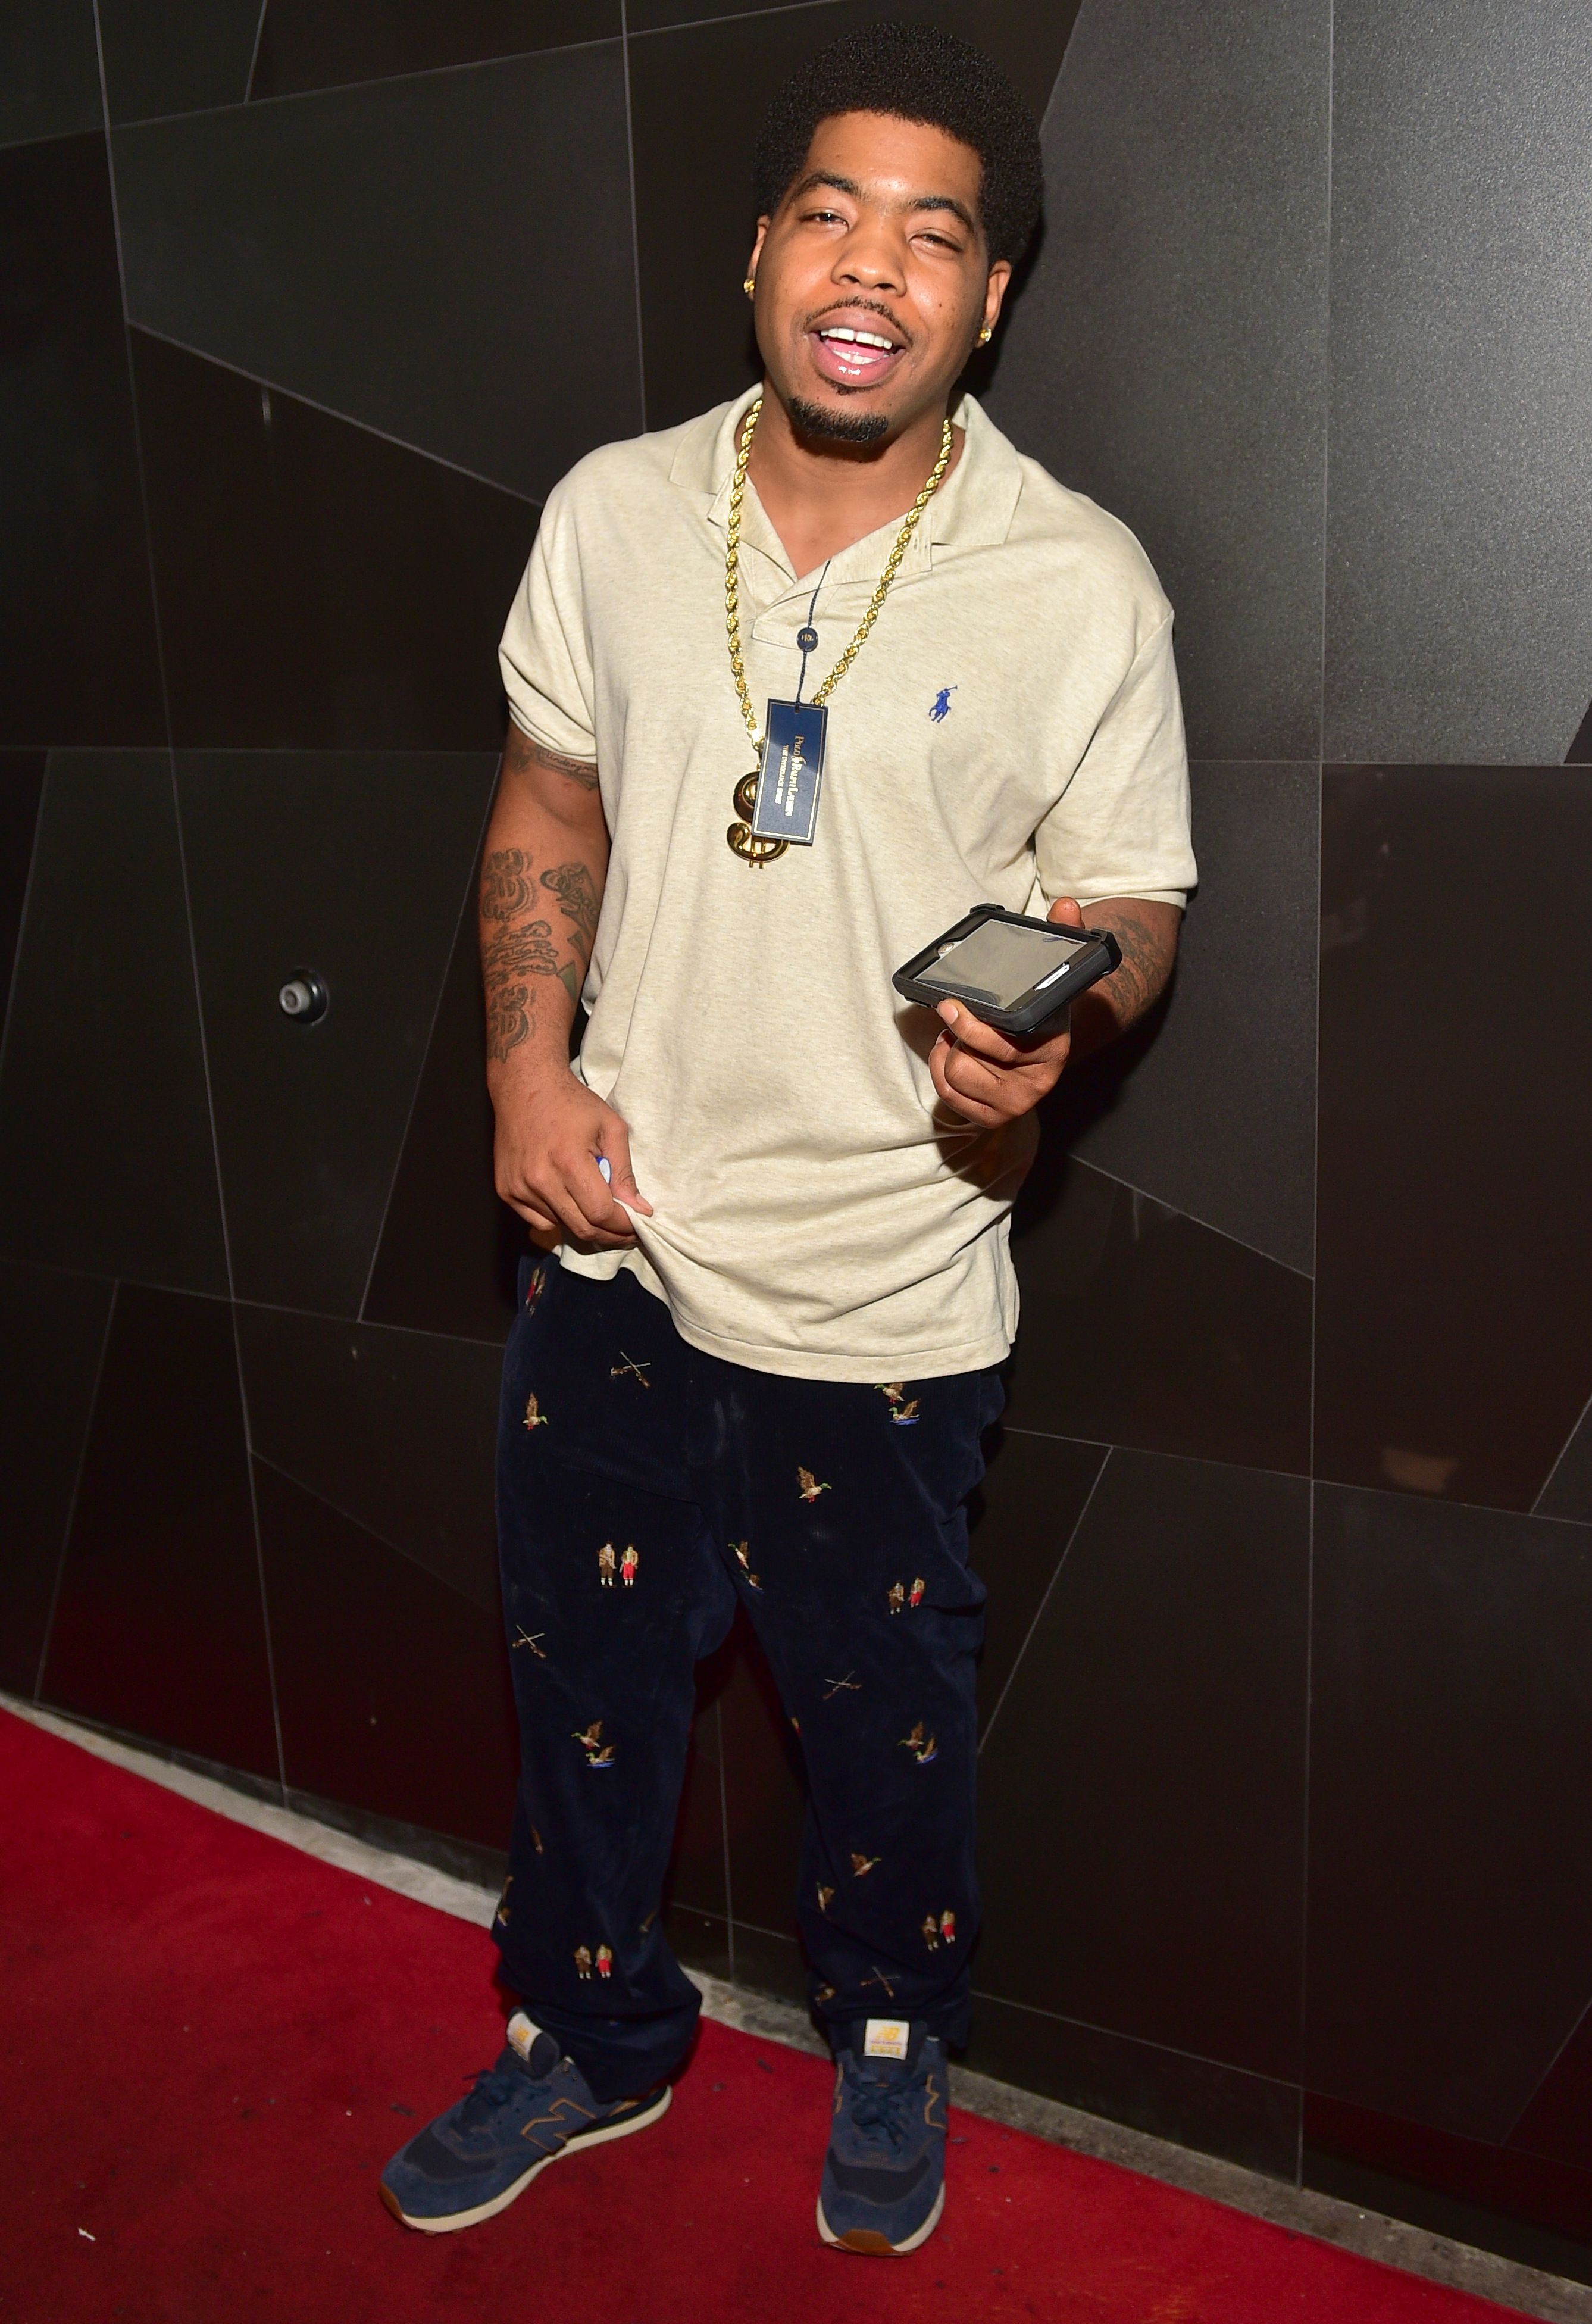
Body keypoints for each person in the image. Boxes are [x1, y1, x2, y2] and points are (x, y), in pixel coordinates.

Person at [381, 19, 1194, 2256]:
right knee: (583, 1701)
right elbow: (548, 790)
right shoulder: (612, 512)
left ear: (989, 298)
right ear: (757, 249)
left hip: (889, 1284)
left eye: (931, 236)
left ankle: (894, 2040)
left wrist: (1067, 1019)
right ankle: (587, 2033)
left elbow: (1131, 904)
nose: (869, 267)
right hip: (615, 1246)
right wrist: (521, 1067)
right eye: (829, 214)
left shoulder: (1079, 579)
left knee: (885, 1730)